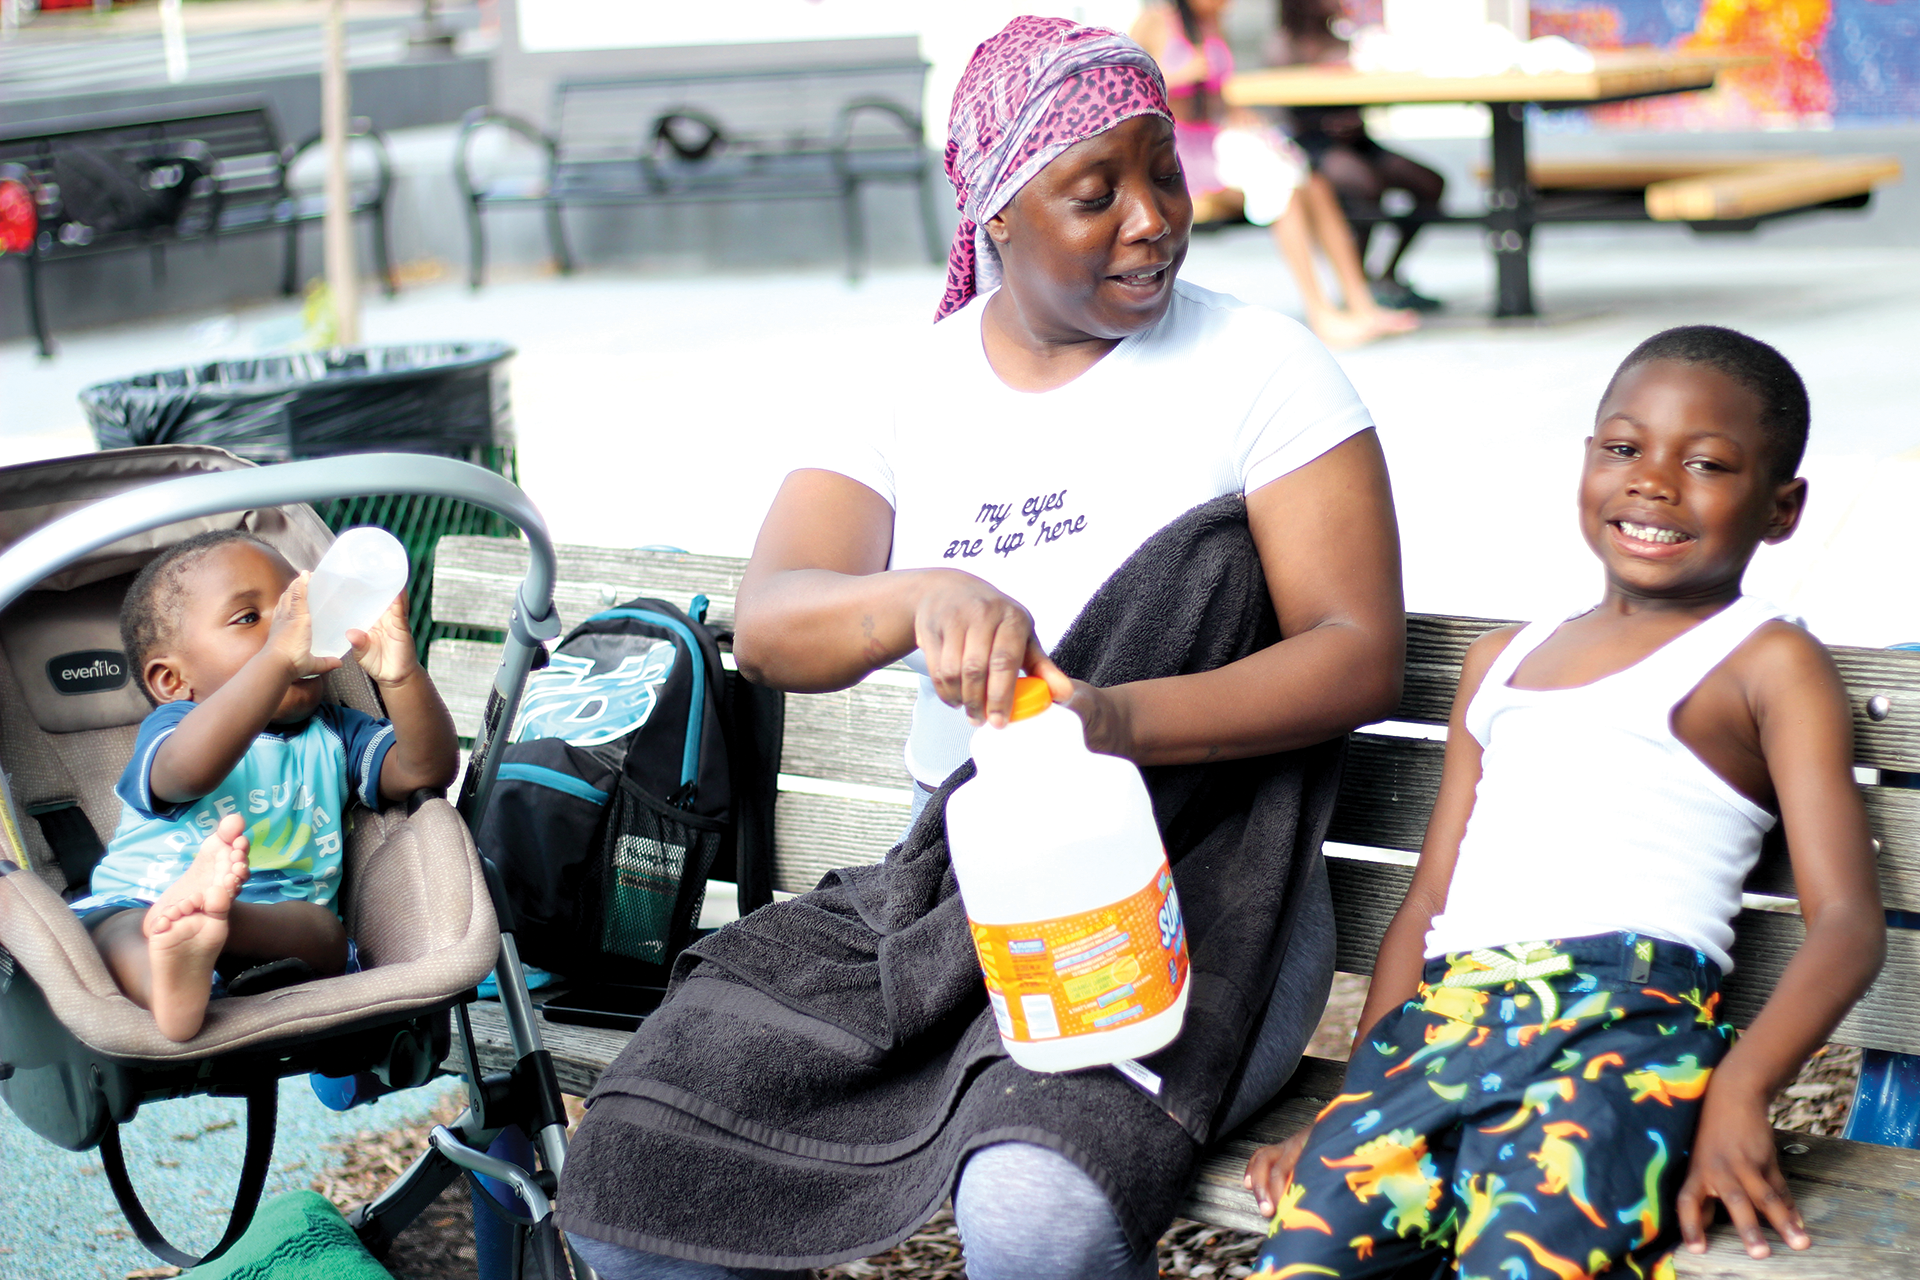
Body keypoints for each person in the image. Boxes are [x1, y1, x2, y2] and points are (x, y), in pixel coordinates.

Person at [556, 18, 1403, 1280]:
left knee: (1038, 1205)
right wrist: (916, 598)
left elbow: (1356, 653)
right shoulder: (913, 388)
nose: (1152, 218)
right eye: (1093, 192)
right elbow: (780, 616)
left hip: (1203, 889)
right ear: (997, 214)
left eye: (1162, 170)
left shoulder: (1260, 369)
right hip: (943, 889)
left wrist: (1110, 718)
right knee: (631, 1173)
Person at [1244, 326, 1886, 1278]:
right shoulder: (1498, 662)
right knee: (1309, 1257)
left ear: (1781, 508)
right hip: (1443, 1029)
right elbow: (1427, 907)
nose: (1654, 482)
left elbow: (1845, 922)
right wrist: (1356, 1106)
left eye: (1706, 463)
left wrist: (1742, 1091)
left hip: (1621, 1034)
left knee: (1527, 1260)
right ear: (1587, 462)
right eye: (1624, 449)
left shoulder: (1765, 661)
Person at [69, 529, 458, 1042]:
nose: (289, 630)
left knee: (325, 934)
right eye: (250, 618)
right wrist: (275, 661)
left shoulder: (336, 732)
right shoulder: (178, 729)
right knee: (114, 933)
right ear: (172, 680)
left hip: (272, 928)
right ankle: (171, 983)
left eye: (297, 610)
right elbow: (188, 775)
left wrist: (400, 678)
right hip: (150, 902)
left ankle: (214, 926)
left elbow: (425, 770)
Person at [1132, 0, 1419, 347]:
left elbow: (1216, 93)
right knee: (1285, 190)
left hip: (1217, 144)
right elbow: (1132, 92)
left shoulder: (1211, 26)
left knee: (1314, 182)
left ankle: (1362, 305)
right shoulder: (1156, 23)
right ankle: (1322, 313)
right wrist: (1177, 75)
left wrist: (1240, 113)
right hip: (1181, 157)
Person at [1273, 0, 1449, 312]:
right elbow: (1282, 106)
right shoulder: (1284, 46)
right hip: (1313, 144)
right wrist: (1325, 124)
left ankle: (1388, 274)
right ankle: (1357, 283)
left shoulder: (1348, 41)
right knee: (1364, 185)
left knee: (1430, 183)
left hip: (1358, 142)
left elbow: (1367, 92)